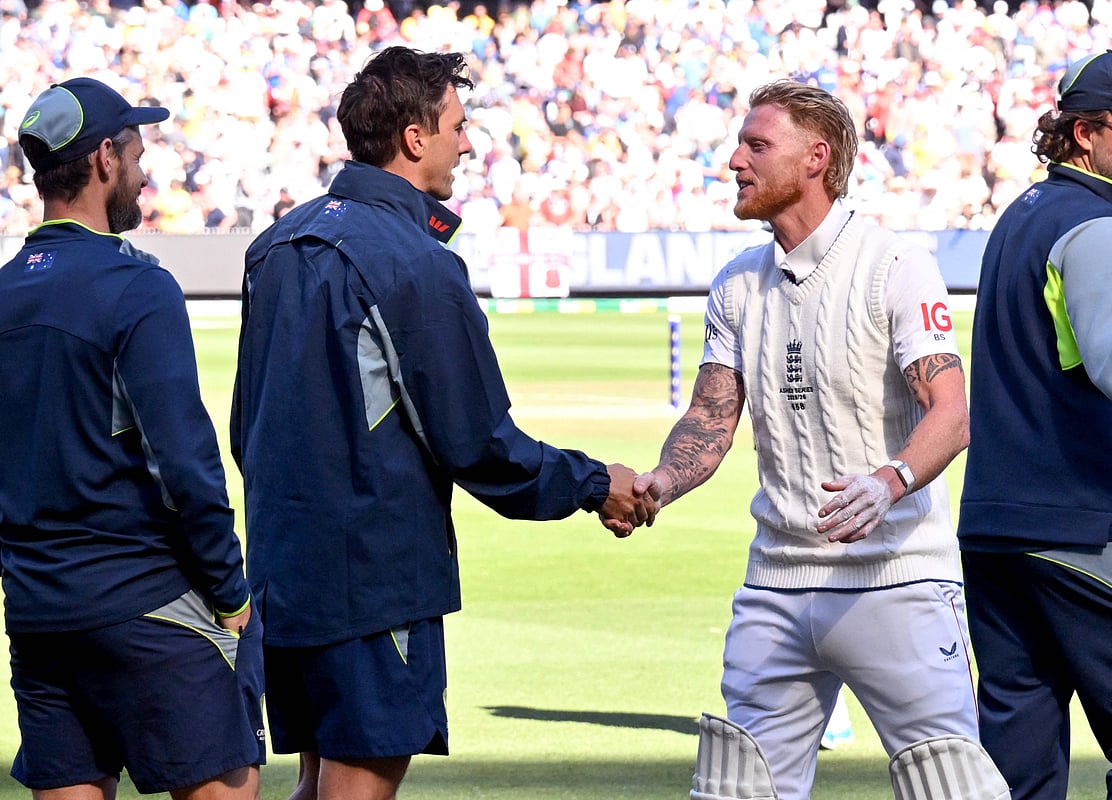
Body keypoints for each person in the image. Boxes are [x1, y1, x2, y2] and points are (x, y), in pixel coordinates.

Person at [230, 46, 654, 800]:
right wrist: (598, 483)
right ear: (414, 137)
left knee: (314, 781)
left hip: (281, 573)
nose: (469, 143)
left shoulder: (274, 245)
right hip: (372, 581)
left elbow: (245, 428)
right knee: (357, 786)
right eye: (458, 126)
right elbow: (481, 445)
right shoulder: (413, 262)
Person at [633, 79, 987, 800]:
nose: (734, 160)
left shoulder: (896, 263)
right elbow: (710, 418)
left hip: (900, 579)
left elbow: (951, 414)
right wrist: (659, 485)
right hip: (776, 585)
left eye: (756, 145)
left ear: (816, 158)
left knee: (954, 789)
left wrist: (887, 481)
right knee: (735, 792)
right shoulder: (736, 285)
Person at [0, 77, 264, 798]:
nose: (145, 173)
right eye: (138, 153)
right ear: (104, 160)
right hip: (147, 604)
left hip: (39, 614)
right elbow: (186, 461)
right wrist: (232, 593)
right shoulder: (136, 286)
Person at [958, 50, 1112, 800]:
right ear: (1086, 133)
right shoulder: (1096, 228)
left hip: (996, 530)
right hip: (1085, 526)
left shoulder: (1022, 216)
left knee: (1017, 759)